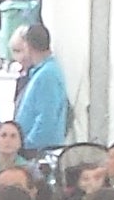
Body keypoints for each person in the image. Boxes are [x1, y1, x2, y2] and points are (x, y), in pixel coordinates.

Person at [12, 20, 71, 152]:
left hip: (38, 151)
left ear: (27, 45)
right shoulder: (42, 73)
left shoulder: (47, 75)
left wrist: (27, 145)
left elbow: (46, 117)